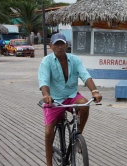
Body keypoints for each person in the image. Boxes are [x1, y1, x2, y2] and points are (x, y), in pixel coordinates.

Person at [38, 33, 102, 166]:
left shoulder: (75, 60)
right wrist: (46, 95)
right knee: (49, 131)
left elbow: (85, 76)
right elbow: (44, 81)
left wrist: (94, 91)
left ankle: (78, 136)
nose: (59, 47)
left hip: (72, 96)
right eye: (56, 44)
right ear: (51, 46)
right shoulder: (46, 61)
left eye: (62, 44)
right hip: (54, 100)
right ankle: (49, 164)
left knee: (85, 104)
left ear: (67, 45)